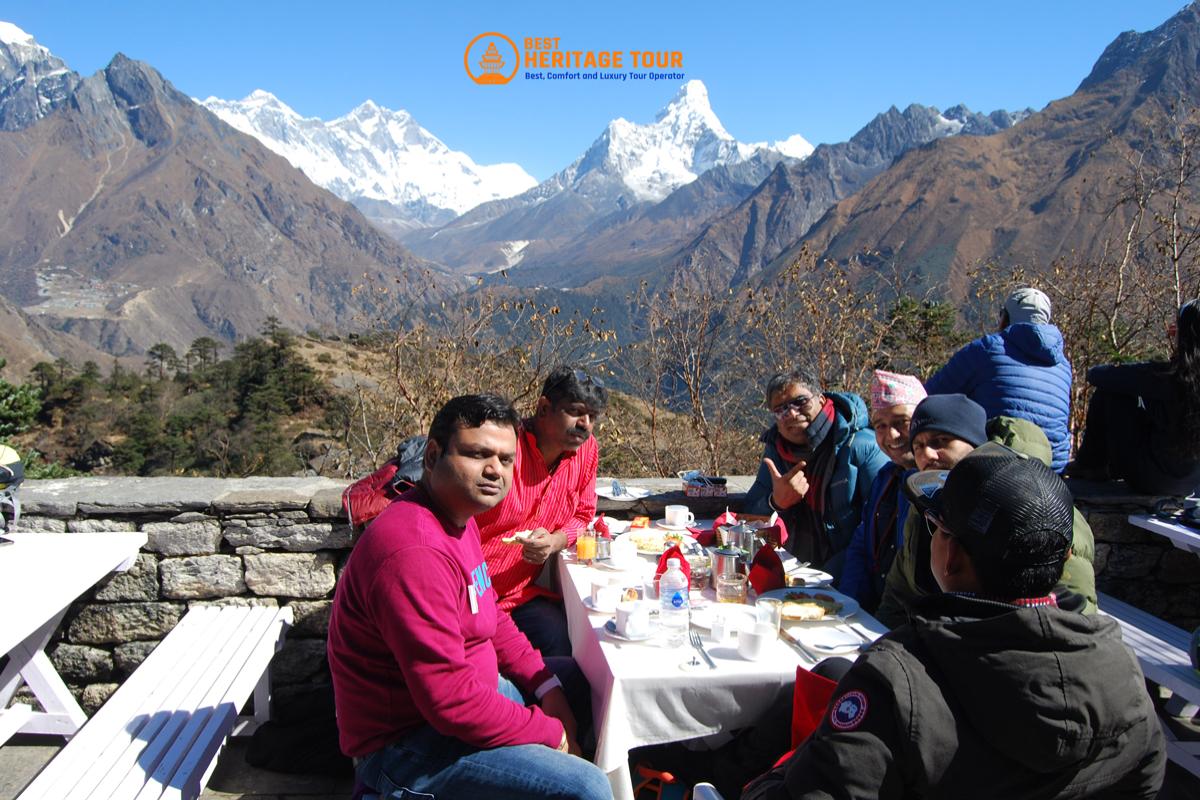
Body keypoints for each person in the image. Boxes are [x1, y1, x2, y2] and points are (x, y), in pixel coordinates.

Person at [741, 443, 1166, 800]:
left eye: (936, 527)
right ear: (1064, 558)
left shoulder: (898, 680)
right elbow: (1145, 782)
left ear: (952, 555)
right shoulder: (1123, 672)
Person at [326, 394, 612, 800]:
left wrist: (546, 685)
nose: (495, 470)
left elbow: (490, 612)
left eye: (506, 459)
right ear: (432, 456)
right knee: (587, 787)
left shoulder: (458, 518)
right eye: (477, 454)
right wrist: (552, 734)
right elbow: (450, 702)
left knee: (583, 683)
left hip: (475, 692)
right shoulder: (415, 552)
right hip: (407, 744)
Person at [874, 394, 1096, 628]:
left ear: (977, 446)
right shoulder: (926, 505)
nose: (926, 454)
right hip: (938, 645)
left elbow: (1075, 622)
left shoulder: (1041, 509)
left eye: (941, 441)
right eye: (918, 446)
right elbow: (898, 592)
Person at [475, 366, 608, 657]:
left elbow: (584, 514)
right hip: (469, 597)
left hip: (519, 597)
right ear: (544, 408)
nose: (585, 424)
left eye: (592, 417)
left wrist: (554, 541)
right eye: (575, 412)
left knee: (570, 646)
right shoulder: (505, 449)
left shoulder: (587, 451)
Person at [743, 368, 888, 577]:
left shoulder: (862, 447)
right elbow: (751, 510)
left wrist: (823, 577)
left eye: (800, 402)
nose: (791, 413)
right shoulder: (777, 449)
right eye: (781, 409)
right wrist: (776, 502)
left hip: (850, 576)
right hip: (795, 570)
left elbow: (879, 530)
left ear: (820, 399)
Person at [925, 286, 1073, 472]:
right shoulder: (1063, 365)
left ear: (1005, 318)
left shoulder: (987, 349)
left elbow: (929, 396)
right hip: (1053, 470)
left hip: (997, 465)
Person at [1070, 299, 1200, 495]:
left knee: (1112, 392)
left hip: (1151, 479)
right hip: (1193, 483)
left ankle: (1091, 465)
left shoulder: (1164, 376)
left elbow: (1097, 375)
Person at [838, 370, 926, 613]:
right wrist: (849, 605)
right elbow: (862, 543)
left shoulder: (933, 487)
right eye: (881, 426)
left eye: (901, 423)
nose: (891, 435)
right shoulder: (886, 479)